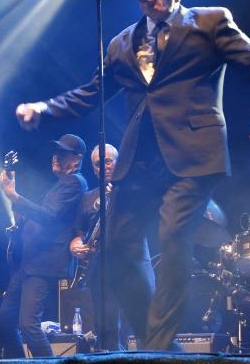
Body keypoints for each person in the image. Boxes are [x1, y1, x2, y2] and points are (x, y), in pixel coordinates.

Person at [15, 0, 250, 350]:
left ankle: (156, 350)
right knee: (115, 250)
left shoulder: (210, 21)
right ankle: (161, 346)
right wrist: (45, 108)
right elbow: (92, 93)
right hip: (141, 162)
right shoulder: (121, 44)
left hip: (195, 155)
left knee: (173, 237)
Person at [0, 134, 86, 357]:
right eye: (56, 152)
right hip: (28, 263)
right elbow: (36, 218)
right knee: (4, 322)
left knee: (28, 325)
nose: (56, 156)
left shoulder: (74, 182)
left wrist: (13, 195)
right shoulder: (58, 186)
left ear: (77, 159)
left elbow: (49, 217)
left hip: (44, 263)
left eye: (63, 153)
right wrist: (16, 208)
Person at [68, 143, 155, 350]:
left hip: (133, 264)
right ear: (94, 168)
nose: (104, 167)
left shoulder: (134, 189)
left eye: (108, 161)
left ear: (118, 162)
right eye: (98, 164)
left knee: (146, 324)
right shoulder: (87, 197)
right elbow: (78, 233)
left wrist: (120, 194)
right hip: (101, 269)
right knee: (106, 328)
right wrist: (75, 245)